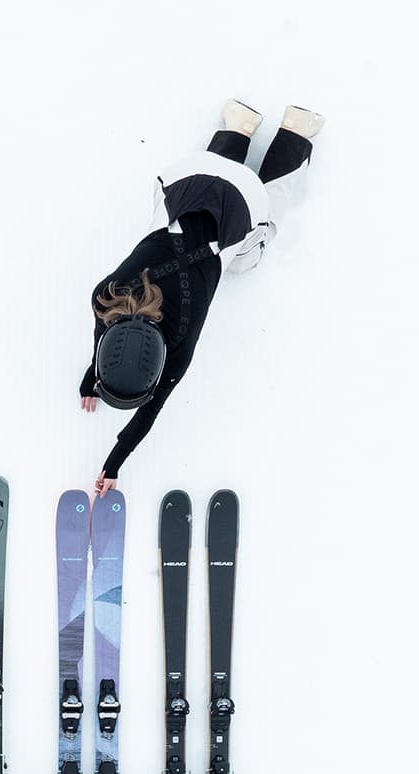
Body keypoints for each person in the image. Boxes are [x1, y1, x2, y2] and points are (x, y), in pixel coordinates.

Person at [82, 101, 324, 494]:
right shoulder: (103, 297)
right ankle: (238, 128)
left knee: (253, 244)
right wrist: (91, 380)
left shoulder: (182, 336)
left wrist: (115, 463)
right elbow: (102, 342)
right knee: (200, 198)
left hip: (244, 198)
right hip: (190, 176)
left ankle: (297, 134)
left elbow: (152, 407)